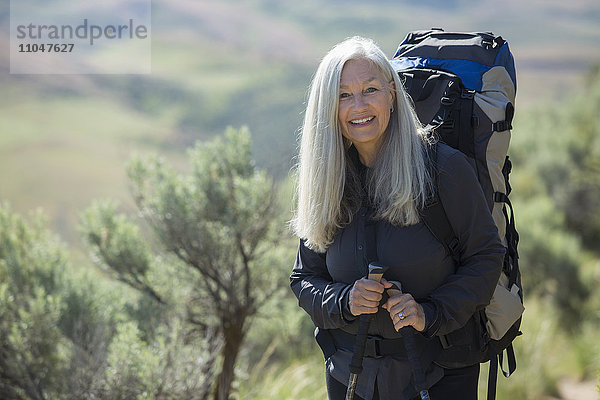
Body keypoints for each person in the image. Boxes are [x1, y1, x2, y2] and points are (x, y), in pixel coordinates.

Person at [289, 36, 505, 400]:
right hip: (349, 377)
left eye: (370, 89)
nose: (358, 105)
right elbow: (305, 278)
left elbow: (486, 257)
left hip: (438, 375)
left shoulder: (444, 169)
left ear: (391, 93)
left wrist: (429, 312)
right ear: (328, 107)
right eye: (343, 95)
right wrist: (345, 300)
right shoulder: (327, 181)